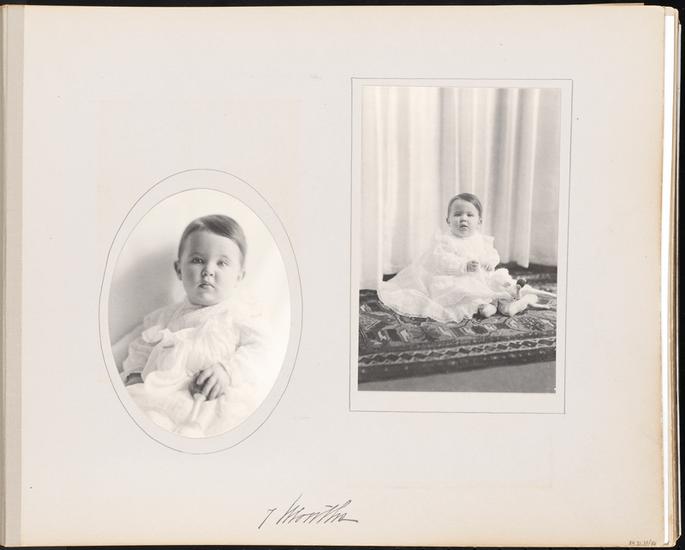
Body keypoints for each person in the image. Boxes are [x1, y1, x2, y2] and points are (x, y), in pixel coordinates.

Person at [119, 214, 274, 438]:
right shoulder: (163, 318)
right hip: (161, 398)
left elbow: (262, 350)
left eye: (222, 263)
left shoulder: (240, 315)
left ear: (239, 276)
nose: (208, 270)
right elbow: (140, 348)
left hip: (213, 400)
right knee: (147, 420)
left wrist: (227, 371)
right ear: (179, 269)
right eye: (198, 260)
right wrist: (135, 374)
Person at [378, 193, 549, 323]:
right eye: (458, 214)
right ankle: (486, 305)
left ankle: (505, 300)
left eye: (469, 215)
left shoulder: (481, 239)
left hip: (481, 276)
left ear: (479, 221)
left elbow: (492, 254)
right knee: (461, 290)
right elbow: (442, 261)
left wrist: (490, 262)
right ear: (448, 220)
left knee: (499, 280)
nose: (463, 219)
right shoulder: (446, 241)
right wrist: (463, 266)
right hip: (454, 276)